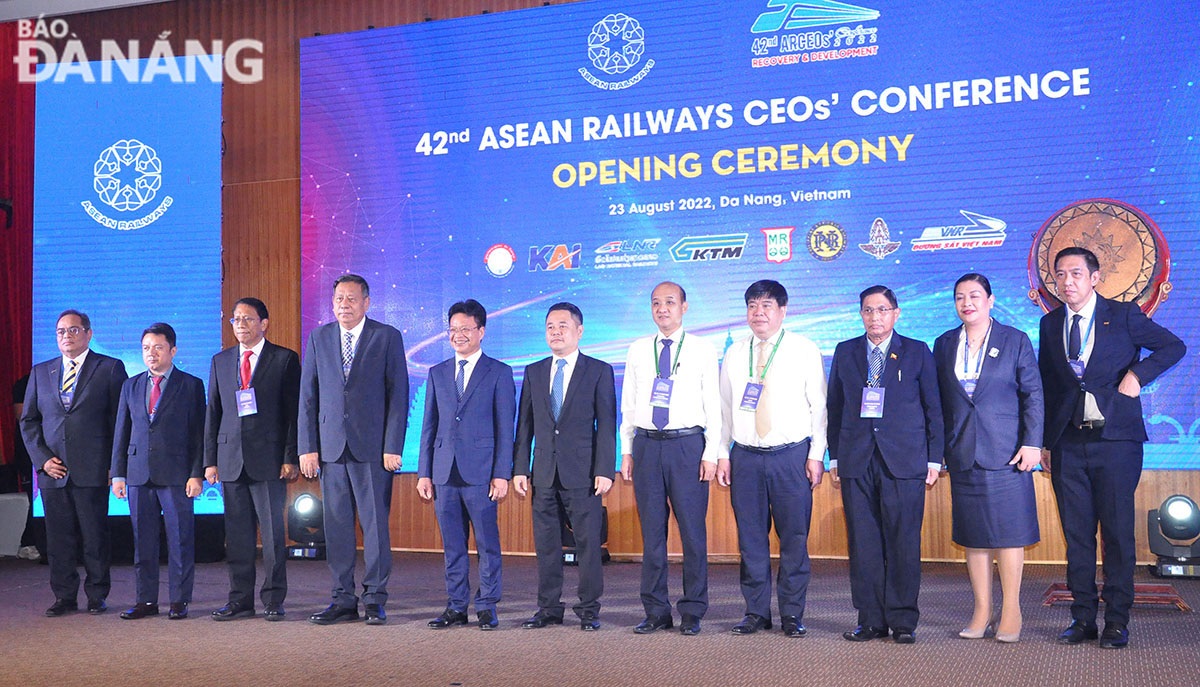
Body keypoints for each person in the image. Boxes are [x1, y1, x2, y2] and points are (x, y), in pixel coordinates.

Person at [1039, 247, 1185, 649]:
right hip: (1068, 442)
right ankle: (1082, 617)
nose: (1067, 282)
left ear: (1095, 277)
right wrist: (1044, 443)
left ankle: (1117, 621)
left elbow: (1174, 347)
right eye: (1060, 275)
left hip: (1116, 442)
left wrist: (1138, 375)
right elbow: (1050, 386)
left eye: (1075, 273)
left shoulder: (1123, 315)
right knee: (1077, 535)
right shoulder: (1049, 324)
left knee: (1118, 533)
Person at [827, 285, 943, 644]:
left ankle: (903, 620)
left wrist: (934, 458)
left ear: (896, 313)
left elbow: (934, 409)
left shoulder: (917, 351)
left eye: (881, 310)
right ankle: (870, 619)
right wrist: (835, 455)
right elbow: (835, 408)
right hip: (857, 460)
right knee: (863, 543)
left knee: (903, 541)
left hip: (905, 461)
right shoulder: (845, 352)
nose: (874, 317)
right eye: (867, 310)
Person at [932, 274, 1043, 643]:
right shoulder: (944, 343)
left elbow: (1034, 396)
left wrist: (1032, 443)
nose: (967, 303)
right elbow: (940, 404)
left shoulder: (1015, 340)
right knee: (974, 536)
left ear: (991, 301)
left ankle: (1011, 608)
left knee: (1009, 534)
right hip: (962, 451)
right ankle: (982, 609)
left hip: (1007, 451)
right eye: (960, 296)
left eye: (975, 296)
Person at [716, 279, 827, 638]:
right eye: (752, 305)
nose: (758, 312)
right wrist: (723, 453)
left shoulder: (803, 349)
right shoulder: (735, 352)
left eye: (766, 306)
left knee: (794, 538)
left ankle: (792, 614)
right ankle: (755, 612)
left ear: (782, 310)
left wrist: (816, 454)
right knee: (750, 539)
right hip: (745, 457)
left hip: (790, 457)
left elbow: (819, 407)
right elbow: (724, 409)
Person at [299, 273, 409, 626]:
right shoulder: (319, 338)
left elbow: (398, 397)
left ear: (366, 302)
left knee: (375, 526)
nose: (343, 305)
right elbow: (308, 397)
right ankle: (342, 598)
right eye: (338, 300)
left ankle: (375, 598)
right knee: (337, 526)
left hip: (373, 450)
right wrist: (308, 447)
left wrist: (393, 445)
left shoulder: (387, 337)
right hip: (330, 450)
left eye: (350, 299)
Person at [619, 282, 721, 636]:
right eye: (656, 303)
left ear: (684, 307)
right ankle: (656, 610)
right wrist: (627, 449)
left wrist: (711, 452)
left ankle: (693, 610)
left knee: (693, 533)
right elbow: (629, 404)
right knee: (652, 535)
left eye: (670, 302)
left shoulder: (702, 349)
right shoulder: (637, 349)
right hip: (647, 446)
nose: (662, 309)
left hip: (687, 446)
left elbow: (715, 405)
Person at [514, 302, 616, 632]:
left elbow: (607, 425)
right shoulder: (534, 371)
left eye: (562, 326)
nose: (555, 332)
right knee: (546, 545)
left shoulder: (599, 370)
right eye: (550, 327)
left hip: (583, 474)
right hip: (543, 472)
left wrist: (604, 469)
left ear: (579, 331)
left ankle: (588, 609)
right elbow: (525, 426)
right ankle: (548, 608)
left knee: (587, 545)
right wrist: (519, 469)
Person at [20, 310, 127, 616]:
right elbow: (29, 422)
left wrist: (114, 465)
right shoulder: (41, 372)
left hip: (93, 468)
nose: (67, 336)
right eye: (61, 332)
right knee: (58, 539)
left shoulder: (109, 368)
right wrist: (42, 460)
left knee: (94, 536)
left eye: (73, 330)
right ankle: (64, 597)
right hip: (52, 471)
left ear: (88, 334)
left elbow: (119, 421)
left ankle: (97, 595)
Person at [418, 299, 515, 631]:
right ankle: (456, 605)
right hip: (444, 472)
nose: (459, 335)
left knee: (487, 543)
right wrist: (425, 472)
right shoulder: (437, 373)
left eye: (466, 329)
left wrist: (502, 474)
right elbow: (428, 426)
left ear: (481, 331)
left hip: (482, 473)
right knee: (452, 545)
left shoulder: (499, 372)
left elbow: (506, 429)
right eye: (453, 329)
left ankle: (487, 605)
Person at [204, 297, 301, 622]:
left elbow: (293, 414)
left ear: (264, 323)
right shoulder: (220, 361)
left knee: (273, 535)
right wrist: (210, 461)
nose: (241, 325)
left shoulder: (284, 359)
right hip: (230, 460)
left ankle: (274, 599)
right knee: (239, 536)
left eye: (248, 319)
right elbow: (213, 413)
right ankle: (240, 600)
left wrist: (291, 457)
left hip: (270, 460)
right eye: (236, 320)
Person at [111, 322, 206, 620]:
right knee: (143, 540)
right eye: (146, 348)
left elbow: (198, 434)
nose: (151, 354)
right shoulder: (131, 385)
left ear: (173, 350)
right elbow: (121, 432)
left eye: (158, 348)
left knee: (180, 539)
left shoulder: (190, 385)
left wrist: (196, 473)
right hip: (138, 474)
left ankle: (179, 600)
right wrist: (118, 474)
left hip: (177, 475)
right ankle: (146, 600)